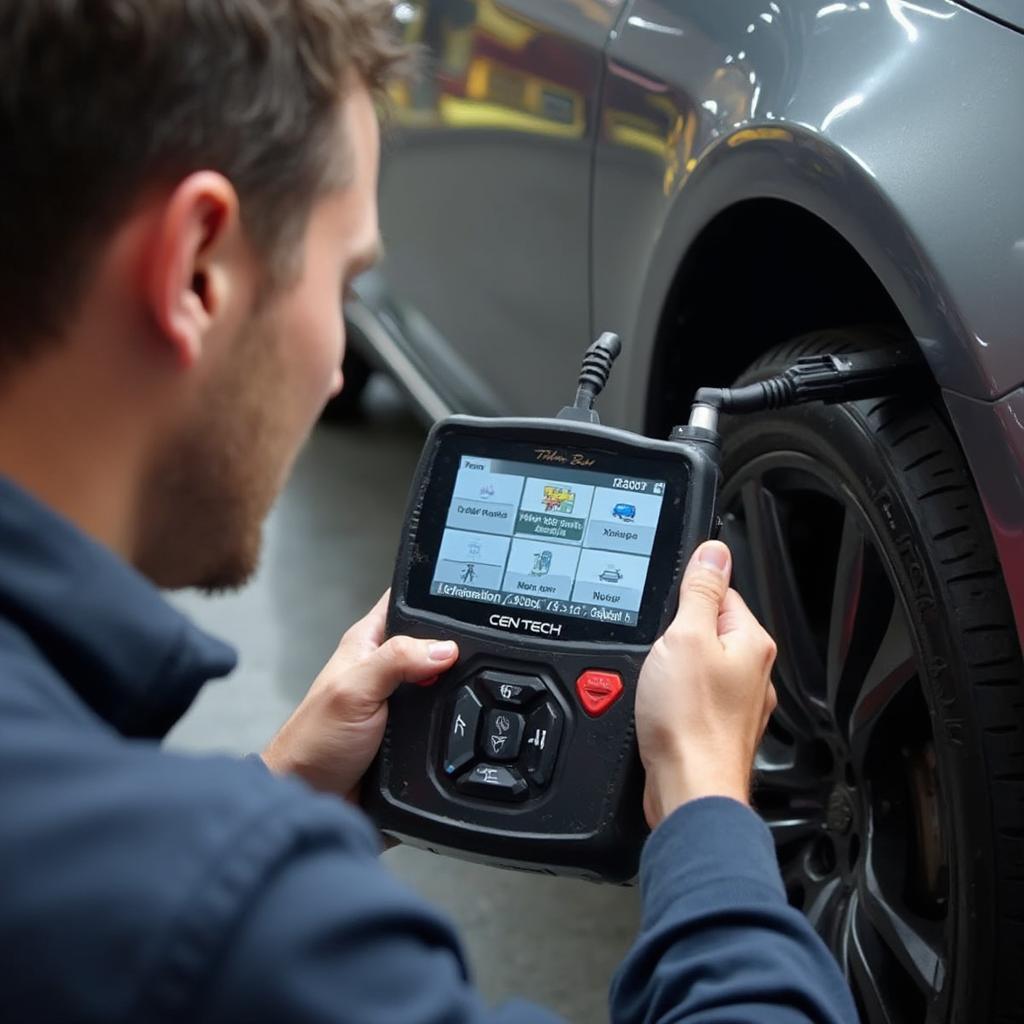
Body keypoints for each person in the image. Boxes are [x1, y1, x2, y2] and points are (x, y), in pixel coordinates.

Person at [0, 2, 858, 1021]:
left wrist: (281, 790)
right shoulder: (256, 935)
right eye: (346, 276)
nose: (332, 370)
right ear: (198, 269)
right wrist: (709, 813)